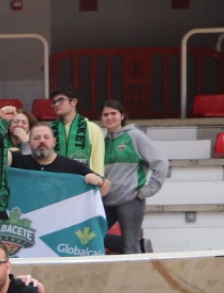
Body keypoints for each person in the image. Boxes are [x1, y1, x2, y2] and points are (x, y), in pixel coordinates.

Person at [98, 99, 169, 254]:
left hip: (130, 200)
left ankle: (137, 261)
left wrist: (149, 189)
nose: (109, 117)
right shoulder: (103, 142)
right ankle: (142, 246)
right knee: (91, 237)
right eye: (105, 115)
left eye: (113, 113)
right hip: (106, 201)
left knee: (131, 247)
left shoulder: (135, 136)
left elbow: (161, 162)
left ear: (122, 116)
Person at [18, 122, 111, 194]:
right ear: (29, 143)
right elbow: (8, 156)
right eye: (37, 138)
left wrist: (100, 182)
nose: (42, 141)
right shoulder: (19, 161)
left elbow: (106, 189)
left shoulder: (71, 166)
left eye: (46, 137)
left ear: (54, 142)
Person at [49, 85, 105, 176]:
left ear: (73, 102)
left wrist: (99, 180)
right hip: (56, 180)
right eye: (54, 102)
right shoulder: (50, 130)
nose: (56, 105)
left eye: (60, 100)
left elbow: (98, 162)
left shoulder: (92, 129)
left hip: (84, 181)